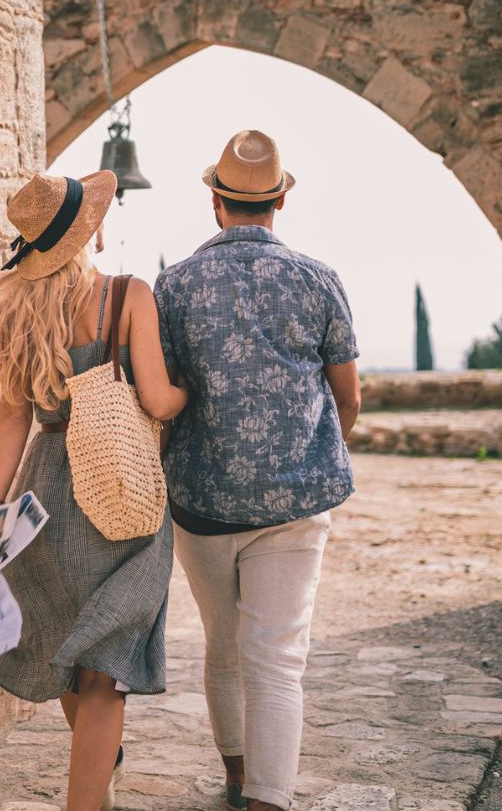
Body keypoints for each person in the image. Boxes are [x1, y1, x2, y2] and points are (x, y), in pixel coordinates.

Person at [0, 170, 190, 811]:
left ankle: (99, 766)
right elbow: (156, 398)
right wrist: (188, 393)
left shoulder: (18, 314)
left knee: (67, 639)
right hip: (122, 487)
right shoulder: (128, 296)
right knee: (106, 664)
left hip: (44, 493)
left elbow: (12, 418)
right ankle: (86, 799)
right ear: (89, 233)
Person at [154, 130, 362, 811]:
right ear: (278, 203)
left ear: (215, 201)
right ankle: (269, 799)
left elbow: (160, 395)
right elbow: (347, 395)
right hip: (296, 504)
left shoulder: (174, 284)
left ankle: (238, 776)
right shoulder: (319, 278)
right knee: (276, 658)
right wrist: (308, 458)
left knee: (224, 643)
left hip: (202, 501)